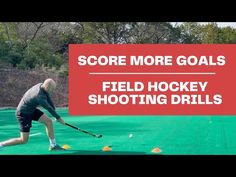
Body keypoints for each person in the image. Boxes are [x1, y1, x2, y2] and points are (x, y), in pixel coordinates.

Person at [0, 78, 66, 151]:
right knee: (23, 140)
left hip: (31, 109)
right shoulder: (39, 97)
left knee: (48, 121)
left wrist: (55, 113)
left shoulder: (41, 85)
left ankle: (53, 145)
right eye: (51, 89)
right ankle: (1, 144)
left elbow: (48, 98)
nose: (52, 91)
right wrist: (59, 118)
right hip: (23, 114)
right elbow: (48, 108)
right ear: (47, 87)